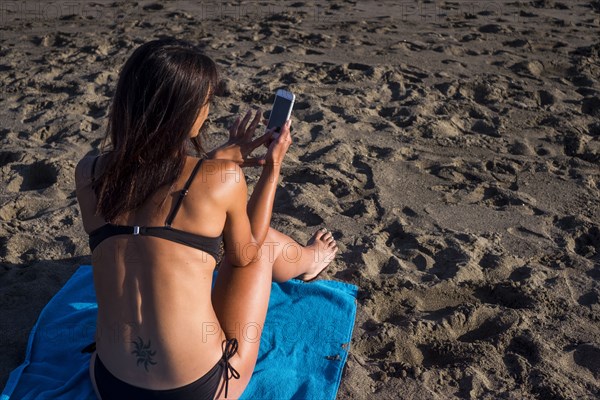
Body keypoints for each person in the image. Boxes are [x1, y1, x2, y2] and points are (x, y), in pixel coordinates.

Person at [75, 38, 338, 399]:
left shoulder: (89, 173)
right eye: (205, 102)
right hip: (199, 388)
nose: (208, 111)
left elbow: (152, 198)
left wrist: (216, 161)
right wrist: (271, 169)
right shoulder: (222, 180)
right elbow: (245, 254)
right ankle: (310, 260)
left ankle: (307, 260)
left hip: (110, 382)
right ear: (187, 112)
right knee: (258, 248)